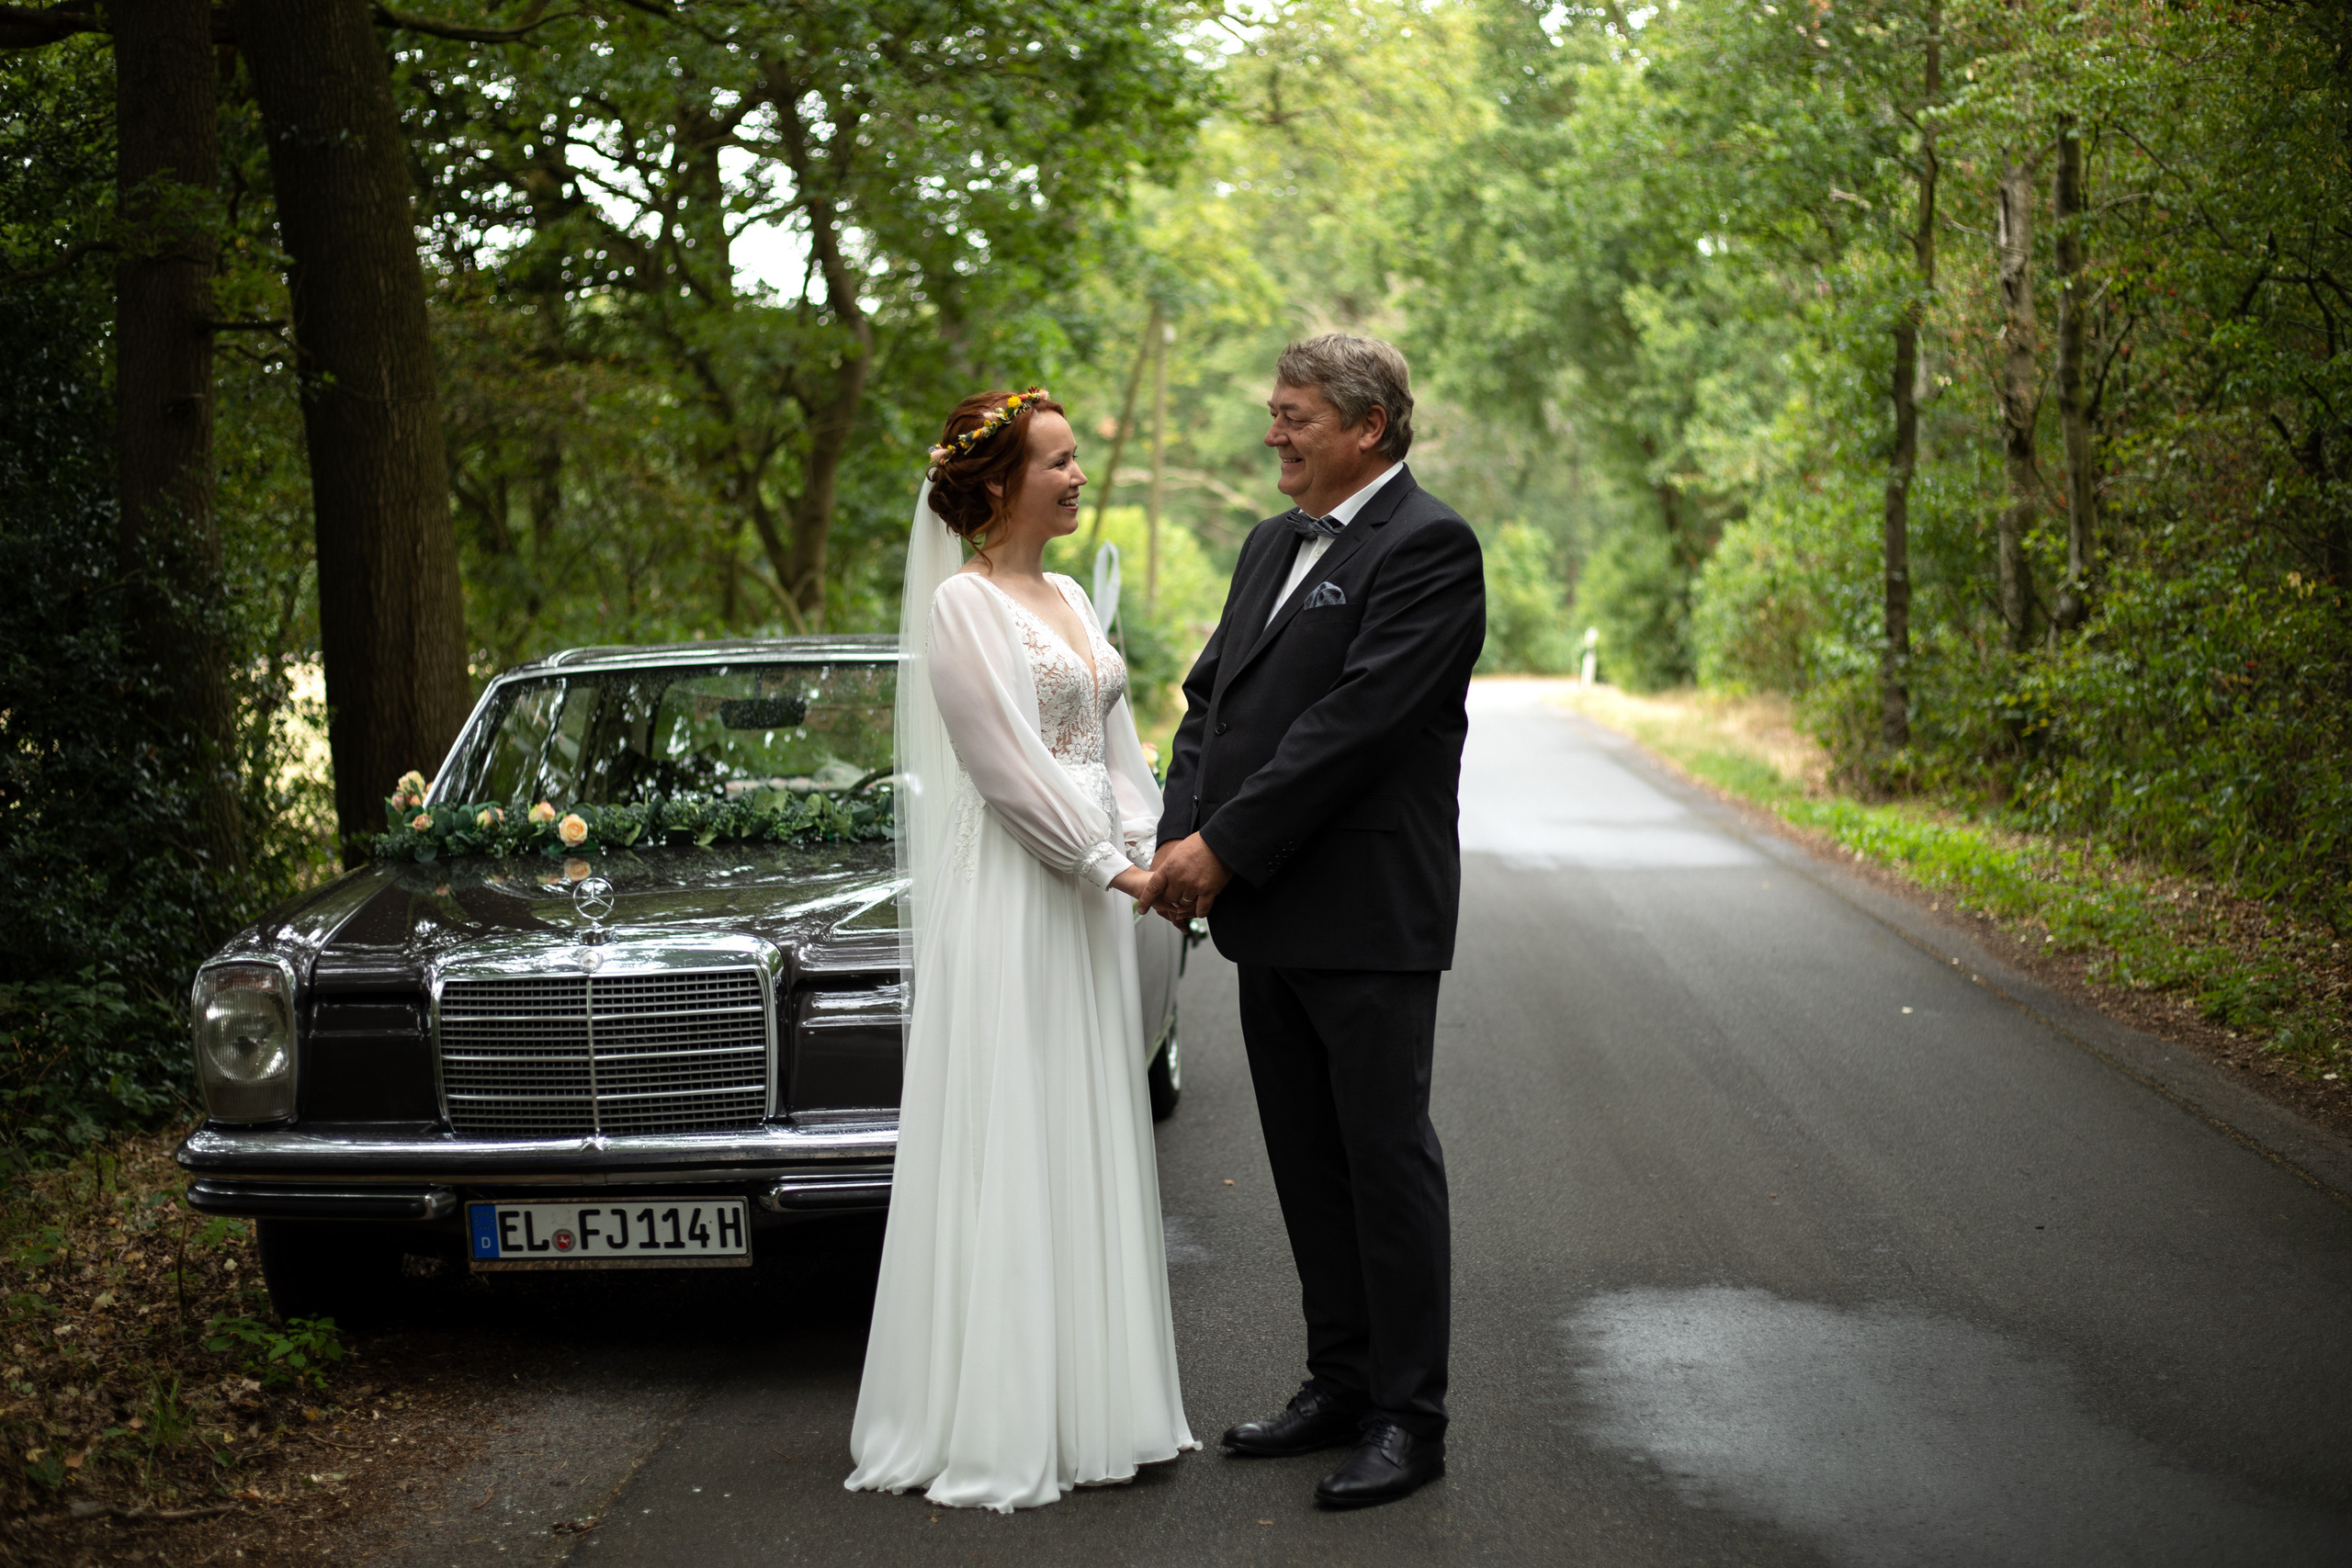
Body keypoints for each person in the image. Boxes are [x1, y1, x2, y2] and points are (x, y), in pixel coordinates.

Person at [845, 389, 1197, 1513]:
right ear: (999, 485)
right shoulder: (963, 606)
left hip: (1092, 896)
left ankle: (1100, 1405)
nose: (1079, 475)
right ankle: (998, 1415)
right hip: (1015, 890)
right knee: (1013, 1121)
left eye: (1076, 457)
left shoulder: (1073, 600)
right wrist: (1109, 868)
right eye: (1059, 460)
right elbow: (1005, 770)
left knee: (1085, 1118)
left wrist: (1159, 853)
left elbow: (1115, 754)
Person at [1149, 335, 1484, 1509]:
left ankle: (1408, 1419)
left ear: (1368, 427)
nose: (1273, 433)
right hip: (1269, 910)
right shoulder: (1266, 544)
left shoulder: (1429, 546)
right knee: (1304, 1163)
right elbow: (1212, 703)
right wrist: (1179, 839)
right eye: (1274, 412)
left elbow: (1356, 725)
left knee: (1383, 1165)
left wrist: (1222, 847)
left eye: (1294, 415)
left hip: (1368, 913)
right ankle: (1338, 1384)